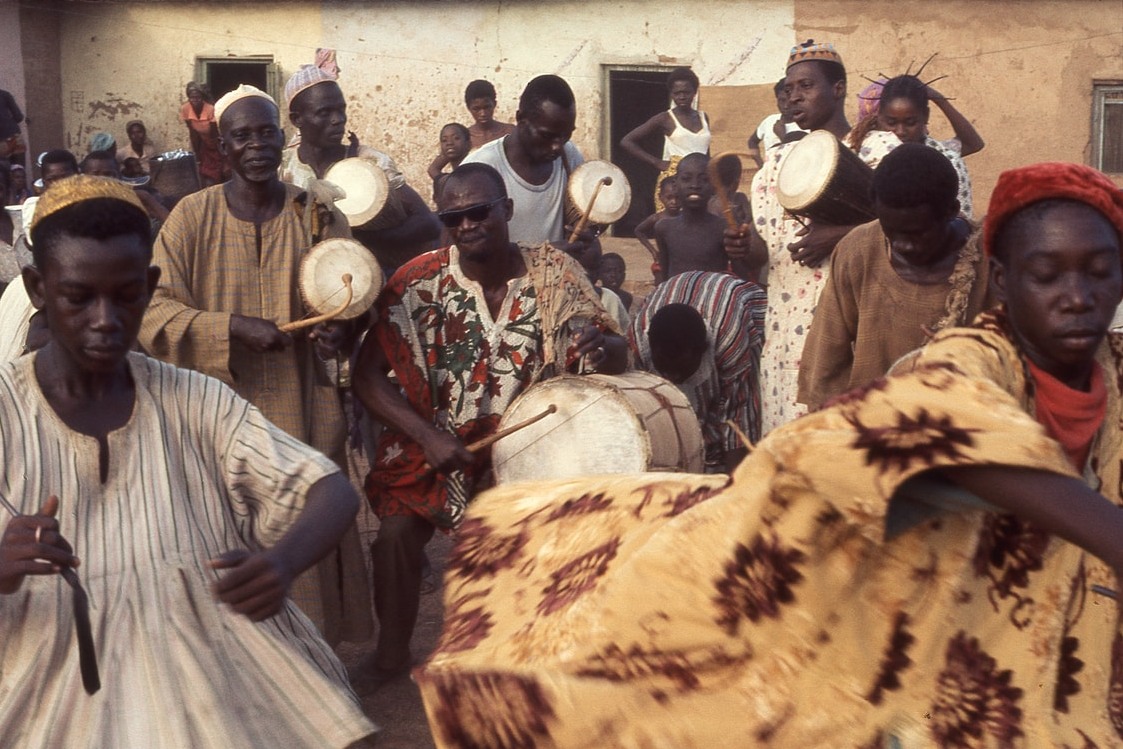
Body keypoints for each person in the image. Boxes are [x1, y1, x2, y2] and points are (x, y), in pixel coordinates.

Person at [414, 161, 1123, 747]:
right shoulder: (973, 358)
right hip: (900, 618)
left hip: (1008, 642)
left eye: (1097, 272)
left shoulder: (1110, 377)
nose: (1076, 297)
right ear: (1001, 282)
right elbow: (946, 422)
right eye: (1047, 275)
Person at [0, 175, 376, 748]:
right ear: (36, 288)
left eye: (126, 295)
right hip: (52, 674)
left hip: (210, 674)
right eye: (79, 297)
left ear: (150, 287)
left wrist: (279, 565)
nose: (105, 319)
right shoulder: (6, 408)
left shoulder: (195, 399)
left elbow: (331, 492)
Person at [351, 162, 627, 691]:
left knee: (546, 544)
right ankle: (390, 654)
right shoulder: (416, 282)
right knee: (394, 538)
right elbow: (367, 378)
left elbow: (613, 353)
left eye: (478, 212)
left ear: (506, 210)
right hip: (435, 442)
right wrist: (427, 435)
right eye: (453, 217)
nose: (467, 225)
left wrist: (604, 348)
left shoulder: (555, 276)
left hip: (525, 447)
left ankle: (530, 657)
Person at [139, 85, 372, 647]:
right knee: (224, 539)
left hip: (306, 412)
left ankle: (315, 668)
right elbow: (152, 312)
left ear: (281, 136)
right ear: (223, 147)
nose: (256, 145)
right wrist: (232, 327)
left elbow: (352, 294)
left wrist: (340, 329)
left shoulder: (315, 213)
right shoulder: (191, 219)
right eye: (241, 136)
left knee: (306, 530)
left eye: (265, 132)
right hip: (216, 416)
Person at [725, 39, 897, 434]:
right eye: (788, 89)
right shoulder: (776, 165)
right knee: (789, 451)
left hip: (852, 332)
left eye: (806, 86)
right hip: (786, 337)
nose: (793, 97)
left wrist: (838, 236)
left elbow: (905, 228)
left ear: (838, 90)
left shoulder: (878, 151)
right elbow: (766, 256)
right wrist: (742, 248)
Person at [798, 143, 990, 410]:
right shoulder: (858, 251)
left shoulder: (986, 262)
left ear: (951, 211)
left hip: (965, 425)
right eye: (892, 232)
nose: (903, 245)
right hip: (874, 426)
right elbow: (826, 362)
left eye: (917, 234)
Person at [281, 64, 441, 274]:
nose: (338, 119)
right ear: (296, 119)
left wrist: (360, 237)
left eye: (341, 109)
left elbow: (428, 224)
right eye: (324, 112)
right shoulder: (282, 170)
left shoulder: (372, 163)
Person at [629, 270, 766, 470]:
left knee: (743, 397)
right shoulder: (638, 339)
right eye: (664, 369)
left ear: (702, 350)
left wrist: (733, 484)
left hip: (739, 306)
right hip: (677, 292)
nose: (672, 378)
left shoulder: (729, 341)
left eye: (679, 370)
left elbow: (737, 413)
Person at [461, 74, 588, 251]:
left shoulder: (570, 156)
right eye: (546, 135)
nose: (557, 147)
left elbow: (582, 226)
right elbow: (465, 253)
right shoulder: (479, 169)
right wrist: (546, 254)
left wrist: (587, 239)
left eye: (566, 135)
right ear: (521, 119)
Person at [848, 74, 977, 218]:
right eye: (891, 123)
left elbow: (961, 225)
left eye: (910, 123)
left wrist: (939, 99)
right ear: (879, 117)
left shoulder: (947, 159)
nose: (900, 131)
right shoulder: (866, 154)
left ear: (926, 116)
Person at [654, 153, 730, 279]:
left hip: (712, 297)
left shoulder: (723, 228)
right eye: (686, 179)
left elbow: (740, 276)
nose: (695, 185)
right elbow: (665, 277)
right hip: (677, 297)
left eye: (704, 179)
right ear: (675, 185)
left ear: (714, 185)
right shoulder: (664, 228)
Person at [80, 149, 170, 224]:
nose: (103, 180)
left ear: (119, 176)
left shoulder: (130, 202)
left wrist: (149, 199)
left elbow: (175, 230)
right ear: (84, 178)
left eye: (108, 174)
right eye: (95, 175)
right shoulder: (76, 205)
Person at [634, 175, 680, 282]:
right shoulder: (657, 218)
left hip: (680, 260)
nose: (674, 202)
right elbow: (638, 231)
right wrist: (653, 251)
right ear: (660, 197)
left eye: (678, 197)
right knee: (661, 286)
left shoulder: (685, 217)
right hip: (662, 262)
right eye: (669, 198)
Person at [181, 81, 224, 187]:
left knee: (220, 169)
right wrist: (197, 154)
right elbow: (192, 131)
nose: (195, 100)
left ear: (202, 97)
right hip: (203, 142)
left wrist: (218, 152)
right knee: (203, 171)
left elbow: (215, 134)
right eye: (192, 97)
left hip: (216, 142)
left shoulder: (210, 109)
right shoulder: (185, 108)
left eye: (198, 97)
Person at [464, 79, 515, 150]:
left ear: (494, 104)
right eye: (476, 109)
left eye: (487, 107)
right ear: (468, 107)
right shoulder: (464, 137)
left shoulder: (510, 132)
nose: (483, 114)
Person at [427, 122, 472, 198]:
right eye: (444, 140)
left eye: (456, 138)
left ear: (468, 144)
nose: (449, 143)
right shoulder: (449, 180)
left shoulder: (474, 173)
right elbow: (432, 169)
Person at [0, 86, 25, 163]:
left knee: (3, 171)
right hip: (15, 137)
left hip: (1, 142)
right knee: (19, 170)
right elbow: (19, 117)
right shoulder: (5, 94)